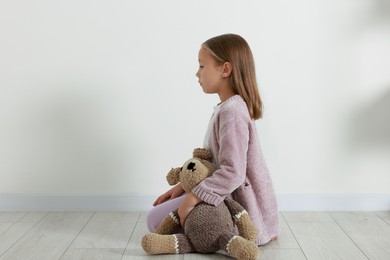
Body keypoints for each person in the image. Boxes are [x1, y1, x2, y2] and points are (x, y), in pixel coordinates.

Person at [147, 33, 279, 245]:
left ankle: (212, 236)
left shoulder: (232, 112)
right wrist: (183, 186)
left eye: (201, 66)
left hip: (238, 206)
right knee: (157, 216)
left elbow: (232, 172)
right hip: (222, 194)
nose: (196, 73)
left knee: (154, 222)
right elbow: (214, 162)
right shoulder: (227, 108)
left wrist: (192, 197)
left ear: (225, 69)